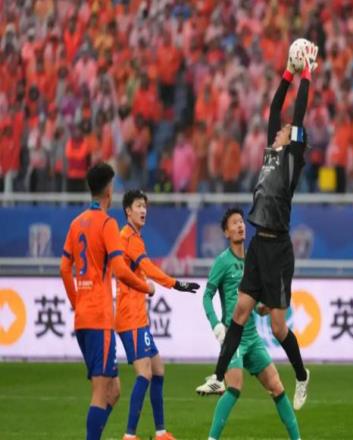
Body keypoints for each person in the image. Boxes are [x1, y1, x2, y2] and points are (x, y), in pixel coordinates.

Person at [206, 43, 318, 410]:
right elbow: (274, 109)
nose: (282, 128)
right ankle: (218, 375)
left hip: (278, 250)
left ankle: (301, 375)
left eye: (287, 130)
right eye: (282, 129)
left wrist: (305, 75)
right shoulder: (272, 153)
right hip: (258, 244)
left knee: (279, 328)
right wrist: (287, 73)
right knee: (239, 312)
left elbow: (297, 115)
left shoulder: (292, 159)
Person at [60, 163, 155, 440]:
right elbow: (120, 270)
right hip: (99, 319)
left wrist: (76, 302)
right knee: (101, 393)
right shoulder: (107, 223)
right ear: (109, 190)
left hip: (83, 318)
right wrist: (146, 287)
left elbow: (64, 269)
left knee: (114, 390)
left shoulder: (76, 223)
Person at [196, 208, 302, 440]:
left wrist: (264, 307)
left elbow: (255, 304)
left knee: (277, 387)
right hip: (233, 338)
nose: (240, 226)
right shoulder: (222, 262)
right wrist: (216, 325)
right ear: (226, 232)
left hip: (252, 337)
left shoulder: (253, 261)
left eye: (242, 222)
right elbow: (207, 296)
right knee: (235, 386)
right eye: (234, 223)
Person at [116, 189, 200, 440]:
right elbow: (148, 268)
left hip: (137, 317)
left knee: (158, 370)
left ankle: (160, 432)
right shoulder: (129, 237)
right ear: (128, 211)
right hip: (130, 317)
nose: (143, 210)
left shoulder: (131, 236)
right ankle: (129, 435)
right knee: (145, 374)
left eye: (145, 206)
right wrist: (176, 284)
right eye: (138, 206)